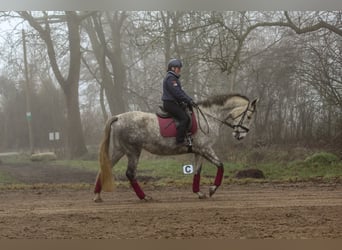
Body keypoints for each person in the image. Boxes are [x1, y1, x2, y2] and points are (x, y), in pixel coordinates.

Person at [162, 58, 196, 145]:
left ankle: (186, 134)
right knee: (184, 118)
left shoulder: (173, 78)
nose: (180, 70)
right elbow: (177, 93)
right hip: (170, 103)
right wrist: (188, 100)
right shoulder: (171, 78)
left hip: (173, 103)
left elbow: (181, 92)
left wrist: (189, 100)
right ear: (173, 68)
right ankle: (179, 140)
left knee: (188, 115)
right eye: (178, 68)